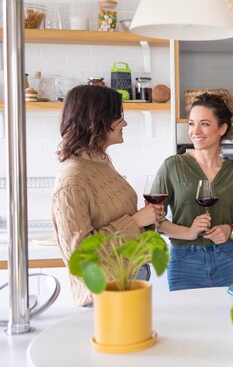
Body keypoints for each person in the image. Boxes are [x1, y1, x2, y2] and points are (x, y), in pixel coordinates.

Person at [52, 85, 162, 306]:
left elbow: (115, 216)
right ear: (96, 119)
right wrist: (136, 221)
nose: (125, 122)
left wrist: (147, 219)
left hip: (128, 281)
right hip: (105, 296)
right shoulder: (72, 179)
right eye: (118, 116)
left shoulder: (100, 162)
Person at [156, 93, 233, 291]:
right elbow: (154, 221)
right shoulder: (172, 166)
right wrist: (189, 232)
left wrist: (231, 230)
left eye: (205, 124)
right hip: (184, 262)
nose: (195, 131)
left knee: (228, 320)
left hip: (226, 260)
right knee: (187, 321)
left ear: (222, 128)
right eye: (191, 124)